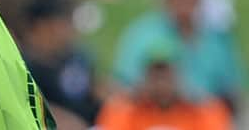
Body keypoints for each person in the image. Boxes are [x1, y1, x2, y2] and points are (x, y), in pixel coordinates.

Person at [113, 0, 245, 111]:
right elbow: (124, 87)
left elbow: (233, 87)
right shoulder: (142, 34)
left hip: (207, 118)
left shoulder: (217, 35)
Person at [98, 40, 232, 130]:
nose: (161, 83)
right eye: (155, 75)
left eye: (166, 75)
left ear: (180, 76)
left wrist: (195, 99)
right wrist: (132, 99)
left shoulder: (201, 108)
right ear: (144, 77)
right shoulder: (127, 108)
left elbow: (216, 123)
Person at [20, 0, 102, 128]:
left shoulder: (74, 57)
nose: (62, 32)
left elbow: (95, 88)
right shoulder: (25, 67)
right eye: (53, 27)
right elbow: (30, 106)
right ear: (37, 29)